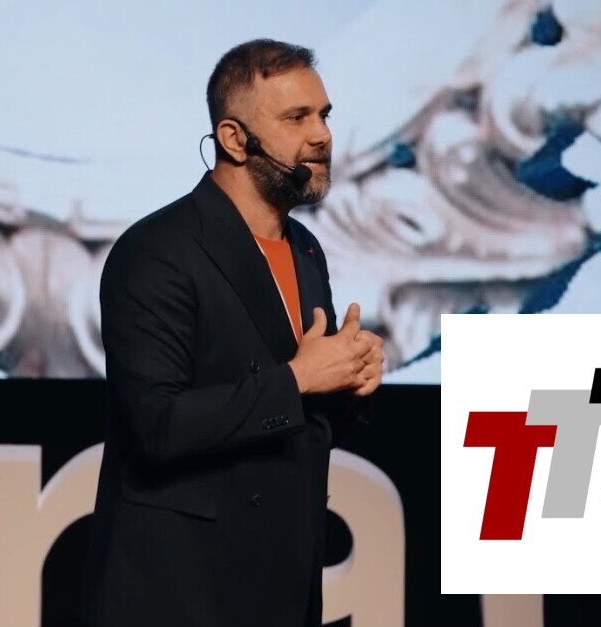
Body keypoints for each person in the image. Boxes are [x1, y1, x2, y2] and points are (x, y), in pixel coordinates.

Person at [80, 38, 384, 627]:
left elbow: (301, 420)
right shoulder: (157, 251)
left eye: (324, 115)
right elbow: (158, 425)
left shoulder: (305, 250)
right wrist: (299, 379)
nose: (321, 135)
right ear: (234, 139)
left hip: (281, 584)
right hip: (181, 593)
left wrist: (350, 381)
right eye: (296, 118)